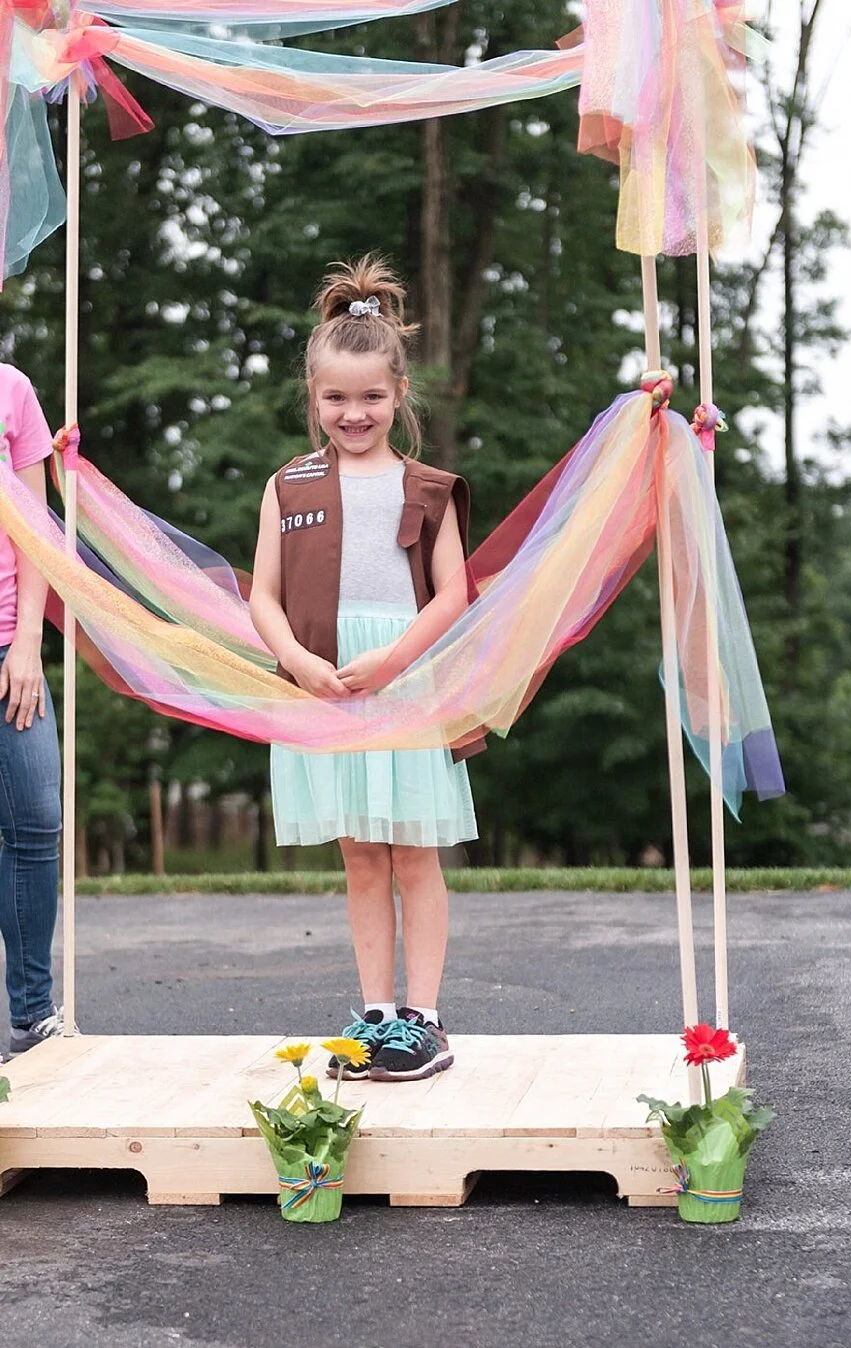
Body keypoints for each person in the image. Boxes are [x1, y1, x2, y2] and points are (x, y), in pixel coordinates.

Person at [248, 256, 477, 1083]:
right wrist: (296, 659)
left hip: (403, 682)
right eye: (337, 398)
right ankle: (377, 1015)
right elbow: (262, 595)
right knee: (360, 854)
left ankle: (425, 1019)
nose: (355, 413)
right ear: (313, 398)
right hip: (327, 687)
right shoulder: (288, 486)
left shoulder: (427, 488)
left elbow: (454, 594)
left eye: (372, 397)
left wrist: (394, 658)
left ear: (400, 393)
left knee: (413, 852)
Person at [0, 365, 62, 1060]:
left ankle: (32, 1013)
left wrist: (26, 645)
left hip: (7, 647)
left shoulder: (11, 391)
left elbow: (35, 534)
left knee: (37, 822)